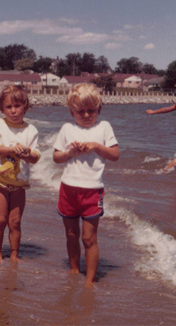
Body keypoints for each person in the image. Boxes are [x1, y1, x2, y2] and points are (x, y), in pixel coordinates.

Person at [53, 83, 119, 288]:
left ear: (99, 110)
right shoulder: (67, 129)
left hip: (93, 192)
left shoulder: (104, 127)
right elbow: (56, 157)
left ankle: (90, 281)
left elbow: (115, 155)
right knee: (71, 234)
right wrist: (70, 153)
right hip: (68, 189)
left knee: (89, 237)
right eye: (80, 111)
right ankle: (74, 270)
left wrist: (97, 146)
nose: (86, 115)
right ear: (72, 112)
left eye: (91, 110)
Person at [0, 85, 41, 263]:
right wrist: (11, 149)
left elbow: (36, 156)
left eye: (17, 106)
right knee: (0, 219)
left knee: (15, 222)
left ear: (25, 107)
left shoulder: (31, 130)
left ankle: (15, 255)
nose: (13, 111)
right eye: (8, 107)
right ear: (2, 109)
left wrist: (27, 153)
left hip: (19, 183)